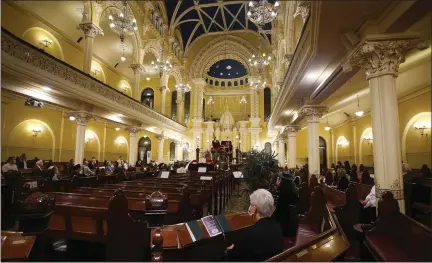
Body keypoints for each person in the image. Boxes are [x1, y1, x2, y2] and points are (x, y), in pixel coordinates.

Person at [226, 189, 284, 261]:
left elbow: (234, 257)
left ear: (255, 208)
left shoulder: (249, 233)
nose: (250, 207)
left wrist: (231, 250)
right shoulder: (277, 227)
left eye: (251, 204)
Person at [273, 172, 299, 238]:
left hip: (284, 220)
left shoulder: (282, 192)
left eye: (280, 179)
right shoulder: (293, 190)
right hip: (291, 220)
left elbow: (280, 208)